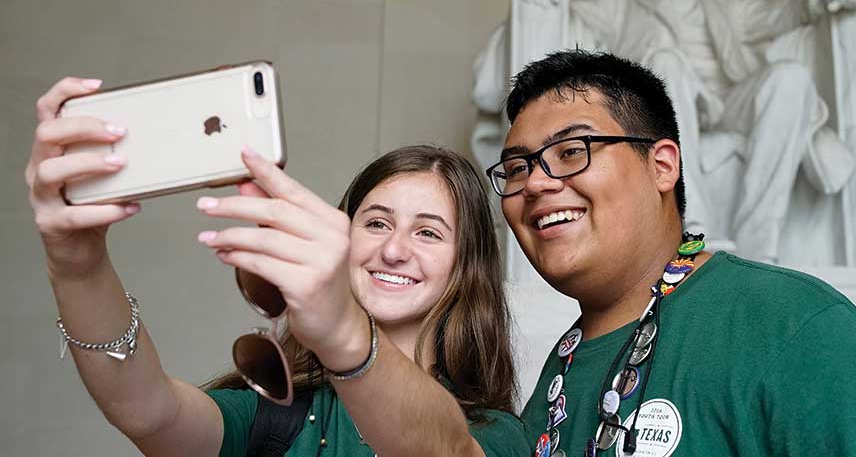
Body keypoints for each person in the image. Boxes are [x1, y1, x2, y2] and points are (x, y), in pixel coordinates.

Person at [26, 76, 529, 457]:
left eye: (428, 232)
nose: (394, 250)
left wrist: (342, 334)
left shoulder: (497, 434)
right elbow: (147, 412)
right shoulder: (281, 413)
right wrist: (76, 263)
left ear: (467, 268)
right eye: (376, 223)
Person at [486, 50, 856, 456]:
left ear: (662, 166)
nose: (537, 183)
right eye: (517, 168)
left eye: (571, 151)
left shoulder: (790, 322)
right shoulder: (562, 366)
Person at [475, 0, 856, 261]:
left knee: (790, 78)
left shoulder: (724, 4)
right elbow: (569, 14)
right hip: (664, 98)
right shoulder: (622, 6)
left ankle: (758, 238)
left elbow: (781, 15)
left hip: (725, 104)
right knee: (665, 63)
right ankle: (688, 219)